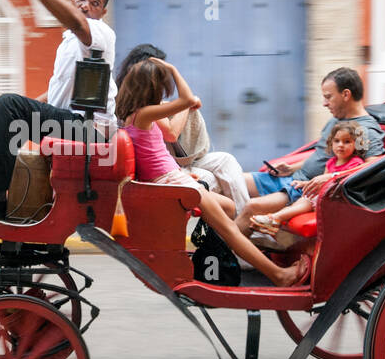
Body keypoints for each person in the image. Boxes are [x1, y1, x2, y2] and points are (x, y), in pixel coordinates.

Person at [118, 57, 308, 288]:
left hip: (174, 178)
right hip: (173, 182)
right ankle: (278, 275)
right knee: (230, 230)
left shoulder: (132, 116)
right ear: (153, 89)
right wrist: (174, 69)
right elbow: (187, 100)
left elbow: (155, 155)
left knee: (228, 208)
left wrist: (181, 175)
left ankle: (218, 255)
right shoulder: (146, 113)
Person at [0, 0, 117, 219]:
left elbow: (77, 22)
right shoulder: (69, 43)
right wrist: (13, 112)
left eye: (94, 3)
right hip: (75, 124)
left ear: (103, 12)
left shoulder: (99, 31)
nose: (86, 5)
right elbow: (55, 95)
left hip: (89, 132)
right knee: (9, 109)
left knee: (9, 103)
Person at [235, 66, 385, 234]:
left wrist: (330, 177)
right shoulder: (336, 121)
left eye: (328, 97)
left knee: (251, 207)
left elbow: (373, 165)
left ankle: (223, 257)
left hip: (304, 190)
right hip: (292, 178)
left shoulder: (365, 129)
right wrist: (291, 168)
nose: (324, 103)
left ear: (345, 95)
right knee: (230, 179)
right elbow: (321, 155)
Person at [114, 44, 251, 210]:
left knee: (226, 160)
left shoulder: (143, 104)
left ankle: (244, 218)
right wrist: (186, 103)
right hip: (165, 172)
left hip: (175, 162)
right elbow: (171, 133)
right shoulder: (141, 107)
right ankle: (239, 222)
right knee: (210, 180)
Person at [251, 121, 368, 235]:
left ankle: (274, 218)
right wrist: (306, 184)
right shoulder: (331, 162)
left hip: (336, 199)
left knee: (306, 201)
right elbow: (323, 180)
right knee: (304, 198)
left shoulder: (355, 163)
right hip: (322, 195)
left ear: (356, 145)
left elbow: (345, 183)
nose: (340, 145)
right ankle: (274, 220)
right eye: (337, 141)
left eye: (347, 141)